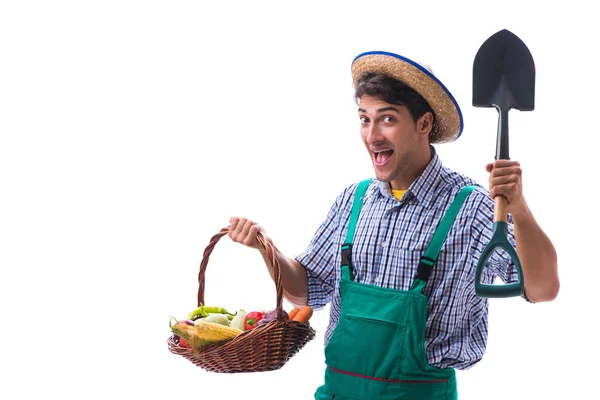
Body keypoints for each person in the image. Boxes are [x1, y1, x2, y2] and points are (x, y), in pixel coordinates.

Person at [227, 51, 559, 399]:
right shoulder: (352, 202)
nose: (372, 136)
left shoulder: (471, 208)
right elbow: (308, 289)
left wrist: (518, 208)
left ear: (424, 124)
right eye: (364, 119)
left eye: (387, 119)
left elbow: (543, 288)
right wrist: (266, 248)